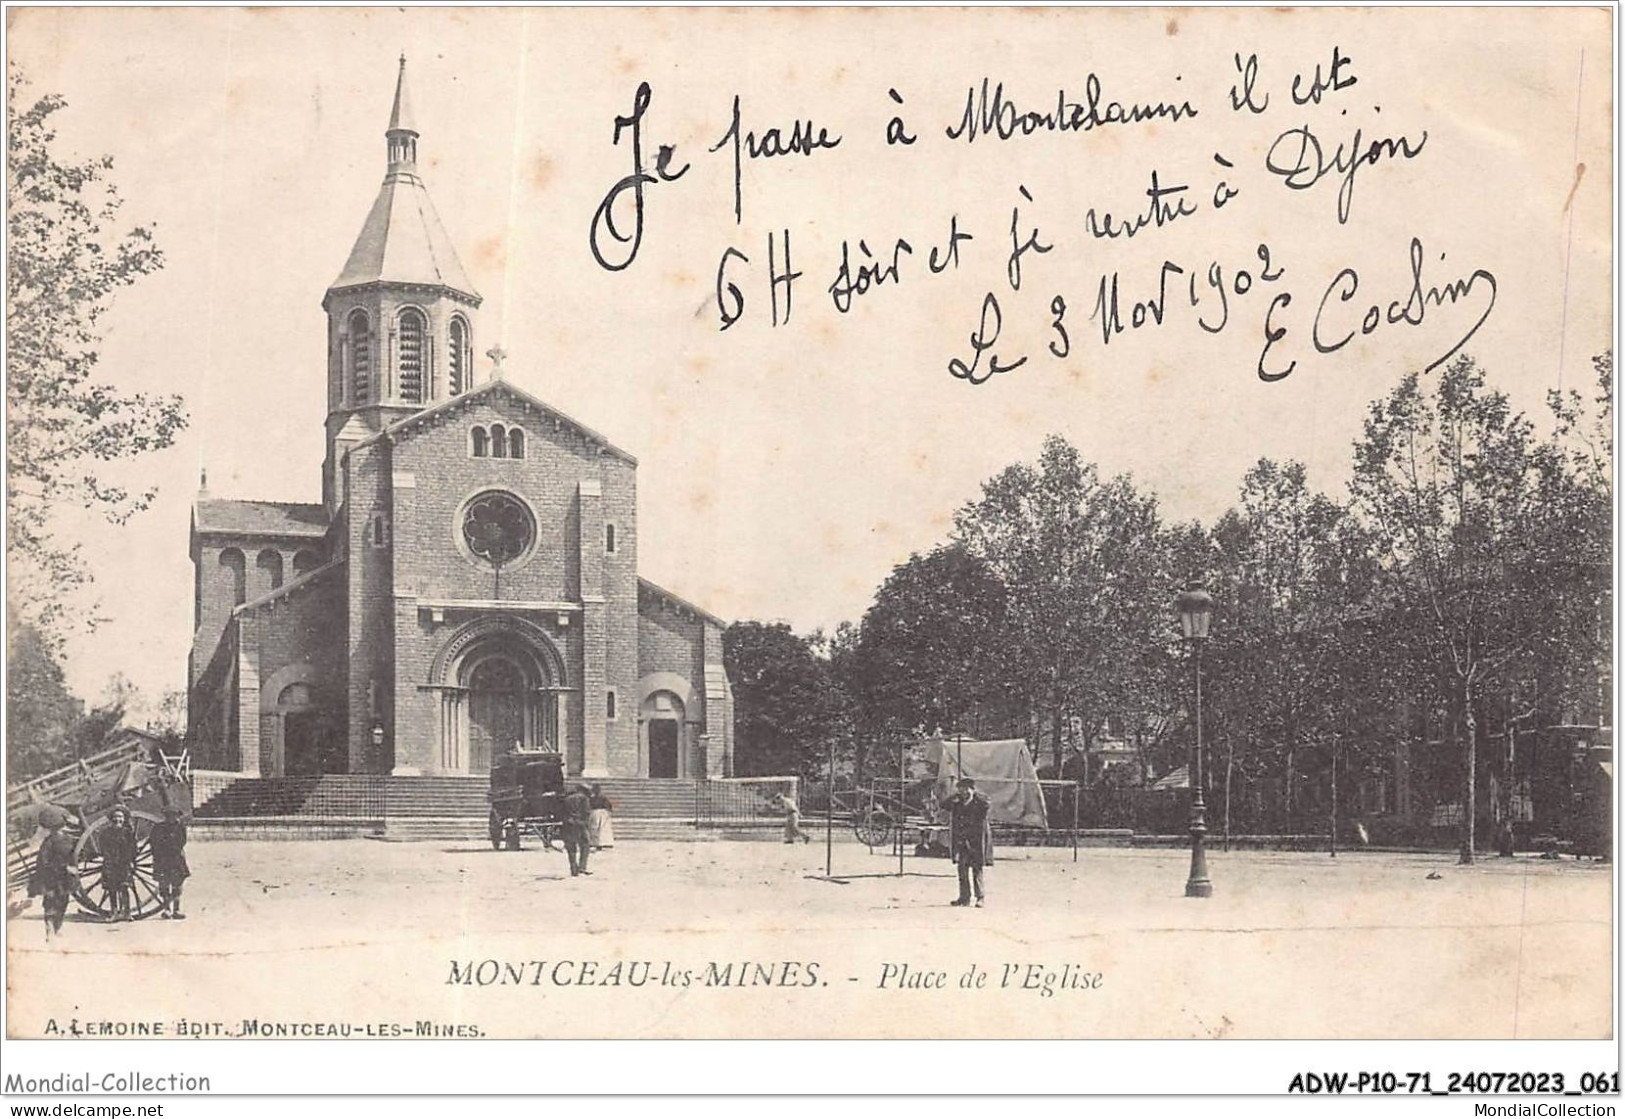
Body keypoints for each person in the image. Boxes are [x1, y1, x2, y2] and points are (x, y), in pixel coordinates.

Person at [28, 806, 77, 940]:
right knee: (50, 903)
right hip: (52, 877)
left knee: (63, 901)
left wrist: (72, 867)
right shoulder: (49, 842)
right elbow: (43, 861)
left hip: (64, 877)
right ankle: (50, 930)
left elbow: (74, 855)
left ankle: (56, 928)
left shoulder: (68, 839)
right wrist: (64, 867)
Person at [946, 778, 991, 907]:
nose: (964, 792)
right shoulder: (957, 803)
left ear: (973, 790)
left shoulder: (980, 803)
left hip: (976, 841)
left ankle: (980, 897)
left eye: (966, 789)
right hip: (962, 840)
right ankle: (964, 897)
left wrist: (975, 795)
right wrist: (955, 796)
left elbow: (986, 804)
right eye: (961, 789)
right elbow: (944, 804)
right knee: (962, 869)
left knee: (977, 869)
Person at [150, 805, 190, 919]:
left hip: (176, 859)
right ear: (166, 816)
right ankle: (167, 909)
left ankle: (176, 910)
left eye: (174, 816)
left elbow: (182, 842)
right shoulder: (158, 827)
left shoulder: (180, 828)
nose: (172, 818)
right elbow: (153, 842)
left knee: (177, 885)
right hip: (162, 860)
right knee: (164, 885)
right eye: (169, 816)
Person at [99, 805, 137, 922]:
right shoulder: (106, 833)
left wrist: (130, 861)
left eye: (120, 817)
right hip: (110, 863)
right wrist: (108, 859)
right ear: (111, 819)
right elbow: (103, 848)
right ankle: (114, 912)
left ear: (124, 819)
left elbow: (133, 848)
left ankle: (127, 912)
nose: (118, 820)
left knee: (124, 887)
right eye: (115, 817)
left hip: (123, 863)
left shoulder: (127, 833)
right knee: (112, 889)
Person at [560, 784, 593, 876]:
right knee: (585, 845)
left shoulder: (567, 799)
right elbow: (587, 812)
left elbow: (561, 811)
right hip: (580, 824)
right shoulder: (584, 798)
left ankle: (573, 869)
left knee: (571, 847)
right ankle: (582, 867)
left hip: (568, 823)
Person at [587, 785, 615, 851]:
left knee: (597, 828)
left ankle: (599, 843)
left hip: (597, 813)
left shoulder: (595, 798)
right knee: (599, 828)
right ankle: (600, 843)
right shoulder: (600, 798)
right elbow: (609, 806)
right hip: (600, 813)